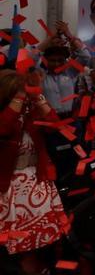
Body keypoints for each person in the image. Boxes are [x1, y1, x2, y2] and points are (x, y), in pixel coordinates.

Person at [0, 69, 69, 275]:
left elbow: (57, 125)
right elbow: (3, 129)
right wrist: (20, 95)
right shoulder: (7, 115)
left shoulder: (30, 115)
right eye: (17, 93)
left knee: (41, 247)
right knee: (16, 251)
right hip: (8, 189)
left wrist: (37, 95)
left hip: (37, 185)